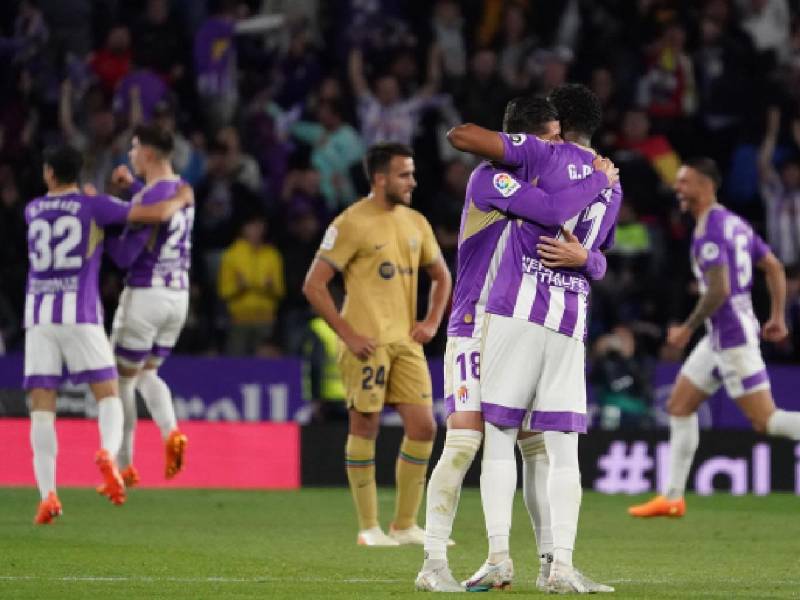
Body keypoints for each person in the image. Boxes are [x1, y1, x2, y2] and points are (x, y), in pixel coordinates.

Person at [415, 96, 618, 592]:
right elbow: (550, 210)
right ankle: (434, 563)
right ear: (527, 138)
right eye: (549, 139)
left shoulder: (545, 177)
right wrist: (599, 179)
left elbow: (591, 253)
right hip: (474, 324)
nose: (555, 148)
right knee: (464, 443)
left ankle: (552, 562)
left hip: (515, 325)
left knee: (538, 451)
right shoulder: (492, 178)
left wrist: (589, 260)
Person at [26, 144, 192, 524]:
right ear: (79, 173)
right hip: (81, 315)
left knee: (41, 409)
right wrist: (180, 197)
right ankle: (108, 453)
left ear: (49, 174)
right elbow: (151, 214)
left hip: (38, 319)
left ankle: (47, 495)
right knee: (110, 393)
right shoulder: (93, 206)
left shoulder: (31, 210)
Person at [302, 143, 452, 546]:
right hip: (366, 342)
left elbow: (442, 276)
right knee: (364, 424)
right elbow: (314, 285)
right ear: (380, 178)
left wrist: (432, 322)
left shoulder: (416, 222)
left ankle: (404, 525)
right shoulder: (351, 223)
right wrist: (346, 334)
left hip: (406, 342)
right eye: (405, 174)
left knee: (423, 426)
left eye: (413, 174)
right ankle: (368, 527)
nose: (413, 182)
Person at [628, 158, 794, 518]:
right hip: (721, 335)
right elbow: (774, 267)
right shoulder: (734, 222)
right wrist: (777, 316)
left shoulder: (710, 231)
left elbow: (718, 290)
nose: (678, 188)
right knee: (679, 406)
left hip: (732, 335)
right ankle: (672, 497)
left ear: (705, 186)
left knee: (767, 421)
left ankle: (672, 496)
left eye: (684, 182)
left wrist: (686, 327)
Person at [103, 124, 194, 490]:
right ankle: (170, 431)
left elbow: (126, 256)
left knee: (121, 381)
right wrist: (132, 191)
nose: (130, 154)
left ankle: (125, 464)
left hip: (145, 297)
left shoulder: (149, 201)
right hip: (178, 298)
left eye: (135, 147)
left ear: (150, 154)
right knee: (146, 375)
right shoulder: (183, 189)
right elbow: (158, 205)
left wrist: (103, 232)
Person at [218, 214, 285, 356]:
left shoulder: (272, 255)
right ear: (244, 228)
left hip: (266, 319)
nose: (256, 230)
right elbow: (223, 291)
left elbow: (280, 291)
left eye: (259, 226)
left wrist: (270, 287)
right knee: (236, 364)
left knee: (264, 364)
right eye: (252, 226)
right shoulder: (232, 254)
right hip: (239, 320)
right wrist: (239, 287)